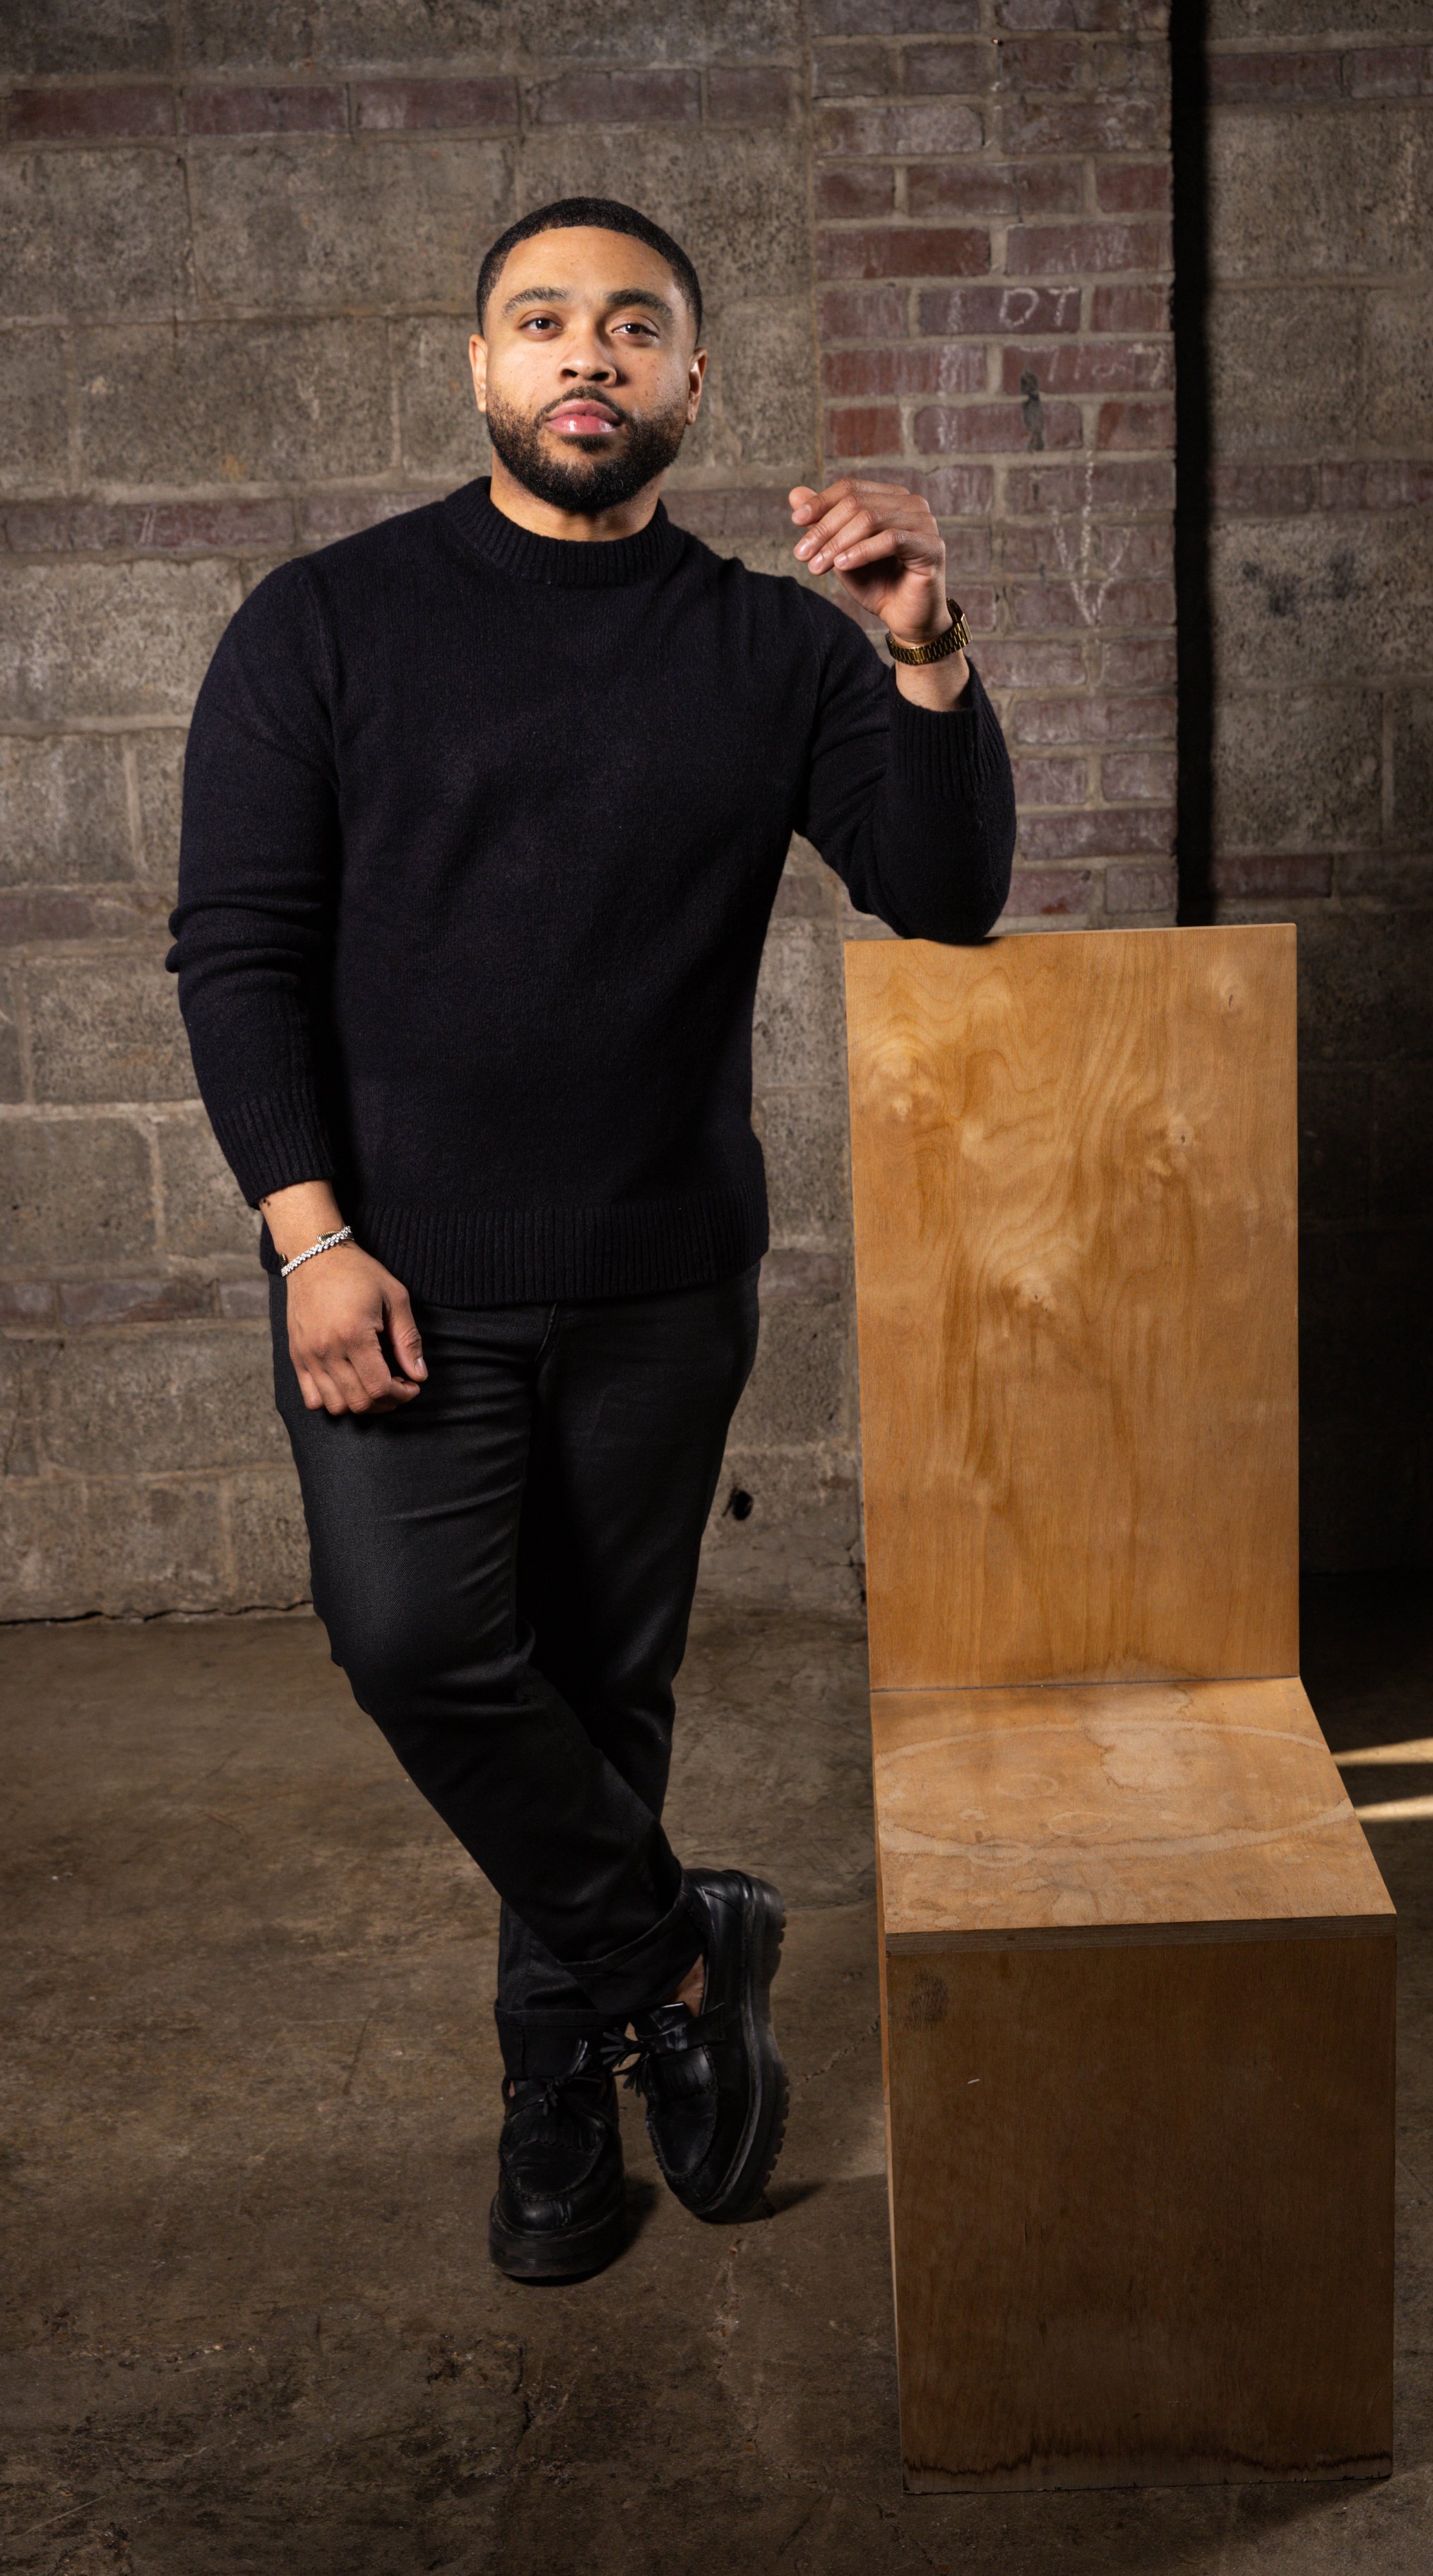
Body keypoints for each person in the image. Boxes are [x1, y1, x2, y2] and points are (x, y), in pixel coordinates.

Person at [167, 196, 1016, 2281]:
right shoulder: (324, 621)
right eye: (541, 320)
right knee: (422, 1646)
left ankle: (556, 2095)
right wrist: (309, 1240)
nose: (586, 353)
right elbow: (238, 950)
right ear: (478, 370)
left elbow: (947, 895)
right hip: (394, 1275)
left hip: (658, 1277)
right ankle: (676, 1964)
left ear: (689, 385)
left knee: (602, 1688)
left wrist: (923, 645)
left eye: (632, 327)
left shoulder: (767, 647)